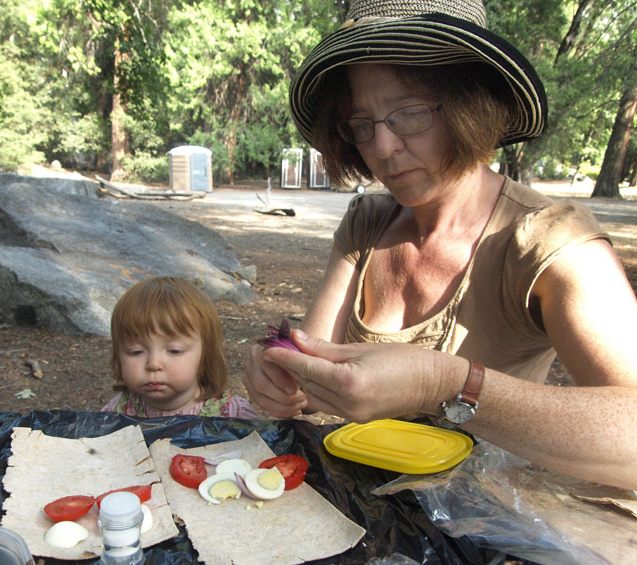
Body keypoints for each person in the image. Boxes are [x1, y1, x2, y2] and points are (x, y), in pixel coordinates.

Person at [243, 0, 637, 489]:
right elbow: (313, 370)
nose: (382, 148)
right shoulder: (366, 224)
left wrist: (446, 383)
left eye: (409, 113)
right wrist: (278, 365)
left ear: (473, 107)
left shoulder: (552, 241)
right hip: (367, 516)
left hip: (483, 538)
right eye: (362, 124)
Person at [103, 276, 259, 419]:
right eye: (136, 352)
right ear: (118, 357)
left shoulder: (233, 416)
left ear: (205, 356)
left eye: (174, 351)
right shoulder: (114, 414)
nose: (154, 364)